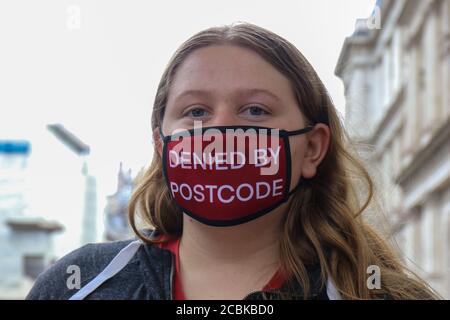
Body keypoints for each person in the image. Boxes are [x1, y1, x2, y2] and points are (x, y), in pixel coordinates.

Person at [27, 22, 439, 300]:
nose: (219, 130)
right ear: (160, 144)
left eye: (255, 110)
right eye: (196, 111)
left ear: (313, 148)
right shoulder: (79, 284)